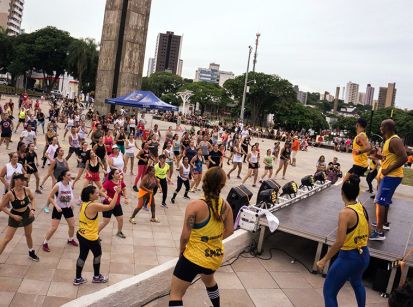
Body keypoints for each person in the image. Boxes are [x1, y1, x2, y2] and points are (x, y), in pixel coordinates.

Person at [168, 167, 234, 307]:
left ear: (204, 181)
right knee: (209, 281)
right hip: (213, 257)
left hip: (193, 258)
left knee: (175, 294)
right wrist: (213, 240)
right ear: (222, 185)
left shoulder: (195, 206)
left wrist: (181, 252)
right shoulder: (226, 205)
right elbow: (230, 230)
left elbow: (185, 236)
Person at [317, 175, 370, 307]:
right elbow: (369, 230)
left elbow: (339, 242)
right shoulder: (361, 207)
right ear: (357, 192)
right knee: (357, 282)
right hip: (364, 254)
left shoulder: (345, 213)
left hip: (348, 258)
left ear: (342, 193)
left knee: (329, 292)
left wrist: (324, 260)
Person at [73, 185, 121, 285]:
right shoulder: (93, 206)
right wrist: (117, 192)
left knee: (82, 256)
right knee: (97, 255)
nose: (98, 194)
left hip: (81, 234)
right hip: (91, 237)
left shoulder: (84, 204)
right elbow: (111, 207)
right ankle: (96, 276)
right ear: (90, 195)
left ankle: (77, 278)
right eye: (96, 193)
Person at [369, 119, 407, 241]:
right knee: (383, 201)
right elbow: (388, 157)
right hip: (389, 176)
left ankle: (379, 232)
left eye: (382, 126)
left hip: (392, 176)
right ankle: (383, 223)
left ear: (387, 128)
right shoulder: (388, 141)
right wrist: (376, 156)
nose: (380, 128)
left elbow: (404, 157)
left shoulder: (395, 140)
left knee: (380, 202)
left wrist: (387, 170)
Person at [0, 174, 39, 261]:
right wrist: (13, 216)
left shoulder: (27, 190)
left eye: (24, 180)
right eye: (21, 180)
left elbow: (32, 199)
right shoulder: (10, 194)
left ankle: (31, 252)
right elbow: (1, 207)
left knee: (28, 235)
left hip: (27, 214)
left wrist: (32, 209)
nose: (23, 181)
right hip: (15, 216)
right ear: (15, 180)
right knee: (7, 239)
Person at [43, 170, 78, 252]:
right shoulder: (58, 185)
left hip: (67, 208)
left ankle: (70, 239)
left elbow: (69, 195)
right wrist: (56, 206)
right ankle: (45, 243)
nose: (70, 177)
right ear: (63, 177)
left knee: (72, 226)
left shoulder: (69, 184)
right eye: (68, 175)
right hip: (58, 208)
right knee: (54, 227)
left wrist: (71, 204)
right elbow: (50, 197)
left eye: (70, 175)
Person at [99, 169, 129, 238]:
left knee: (120, 219)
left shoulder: (120, 182)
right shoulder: (108, 183)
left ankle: (119, 232)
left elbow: (124, 189)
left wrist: (126, 198)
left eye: (119, 173)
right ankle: (95, 234)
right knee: (105, 222)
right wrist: (107, 197)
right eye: (116, 173)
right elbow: (101, 191)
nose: (119, 175)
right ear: (112, 175)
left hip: (117, 204)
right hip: (108, 204)